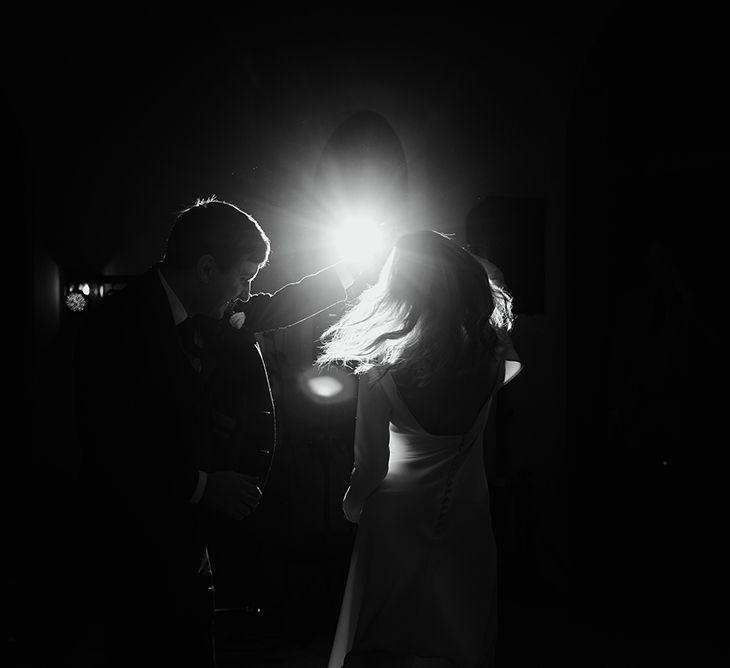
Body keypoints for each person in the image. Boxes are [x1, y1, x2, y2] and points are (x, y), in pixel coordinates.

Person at [73, 195, 356, 667]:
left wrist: (346, 274)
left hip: (188, 537)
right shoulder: (116, 326)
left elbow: (269, 308)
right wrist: (203, 487)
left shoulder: (205, 310)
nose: (246, 293)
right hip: (133, 543)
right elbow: (111, 443)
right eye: (243, 278)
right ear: (206, 268)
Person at [316, 230, 522, 668]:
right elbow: (510, 358)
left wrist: (351, 507)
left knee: (383, 648)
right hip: (467, 524)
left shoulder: (380, 367)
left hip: (394, 526)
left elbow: (371, 465)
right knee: (456, 644)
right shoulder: (492, 358)